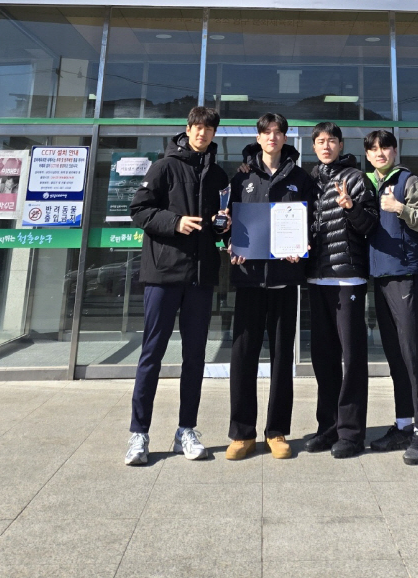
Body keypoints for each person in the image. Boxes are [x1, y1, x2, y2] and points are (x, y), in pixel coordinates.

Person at [124, 106, 228, 466]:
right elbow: (138, 209)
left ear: (215, 133)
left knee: (195, 357)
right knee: (151, 354)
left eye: (208, 129)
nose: (202, 133)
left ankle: (186, 428)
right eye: (197, 127)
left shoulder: (217, 174)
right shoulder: (164, 166)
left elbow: (218, 223)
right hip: (163, 275)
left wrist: (221, 226)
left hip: (200, 278)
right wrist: (174, 221)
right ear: (187, 129)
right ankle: (139, 433)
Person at [226, 113, 315, 461]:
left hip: (284, 279)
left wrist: (301, 249)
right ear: (259, 137)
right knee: (242, 357)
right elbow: (226, 223)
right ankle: (241, 433)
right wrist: (229, 245)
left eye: (279, 133)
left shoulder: (300, 178)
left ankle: (276, 431)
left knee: (281, 360)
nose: (273, 138)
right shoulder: (242, 177)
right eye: (267, 133)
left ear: (285, 137)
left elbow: (310, 224)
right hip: (248, 278)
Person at [305, 122, 378, 458]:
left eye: (331, 140)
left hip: (347, 278)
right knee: (323, 359)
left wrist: (351, 207)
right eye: (320, 141)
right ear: (314, 146)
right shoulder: (309, 180)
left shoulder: (355, 178)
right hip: (317, 279)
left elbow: (370, 226)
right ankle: (328, 427)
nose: (325, 145)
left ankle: (351, 433)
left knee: (352, 358)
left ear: (340, 144)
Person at [364, 130, 418, 465]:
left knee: (413, 356)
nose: (380, 154)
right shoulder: (367, 183)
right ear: (367, 154)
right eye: (374, 149)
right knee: (394, 355)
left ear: (394, 151)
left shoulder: (409, 182)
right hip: (380, 276)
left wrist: (400, 207)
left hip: (406, 277)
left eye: (385, 148)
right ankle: (404, 424)